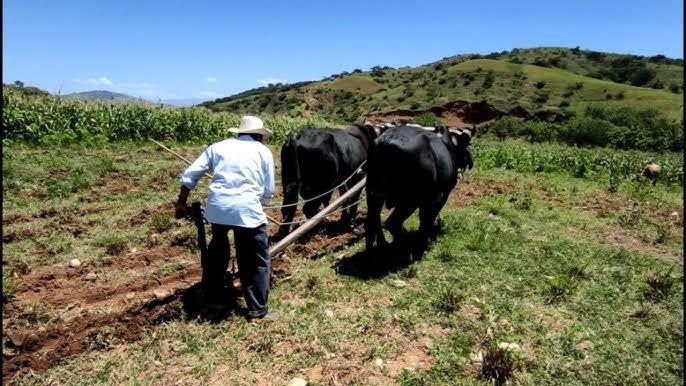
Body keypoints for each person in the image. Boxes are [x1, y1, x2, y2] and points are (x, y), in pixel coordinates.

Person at [175, 115, 275, 320]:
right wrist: (260, 202)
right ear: (258, 135)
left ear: (239, 132)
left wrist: (181, 203)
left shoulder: (218, 147)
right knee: (255, 259)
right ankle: (258, 310)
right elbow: (268, 189)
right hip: (247, 211)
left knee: (217, 251)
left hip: (217, 209)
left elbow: (190, 175)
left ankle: (214, 300)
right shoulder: (263, 151)